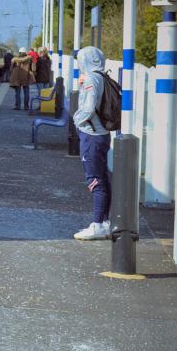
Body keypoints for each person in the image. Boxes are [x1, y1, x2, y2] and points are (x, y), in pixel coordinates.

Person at [72, 45, 112, 241]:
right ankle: (104, 222)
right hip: (101, 134)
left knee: (94, 180)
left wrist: (76, 120)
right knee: (103, 178)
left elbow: (88, 108)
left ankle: (97, 224)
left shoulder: (90, 79)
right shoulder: (101, 76)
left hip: (91, 135)